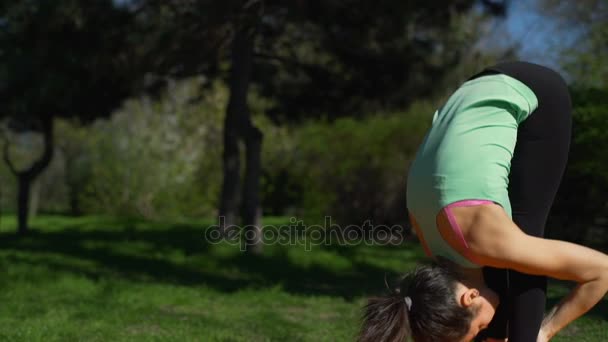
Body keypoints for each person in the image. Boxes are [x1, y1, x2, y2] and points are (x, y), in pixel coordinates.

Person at [358, 61, 608, 342]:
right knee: (512, 255)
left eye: (479, 329)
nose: (482, 330)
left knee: (525, 239)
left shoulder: (484, 237)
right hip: (476, 87)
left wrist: (544, 331)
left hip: (535, 91)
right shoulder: (431, 241)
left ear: (470, 296)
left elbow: (602, 271)